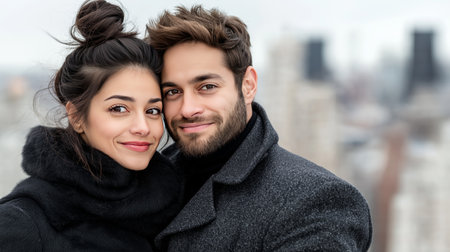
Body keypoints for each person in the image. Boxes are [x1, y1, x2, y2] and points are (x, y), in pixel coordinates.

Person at [146, 5, 372, 251]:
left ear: (248, 85)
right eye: (172, 92)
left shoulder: (315, 200)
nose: (188, 109)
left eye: (207, 87)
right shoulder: (146, 180)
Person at [0, 0, 182, 251]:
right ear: (75, 116)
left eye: (153, 110)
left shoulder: (177, 208)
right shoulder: (21, 224)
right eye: (119, 108)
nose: (143, 127)